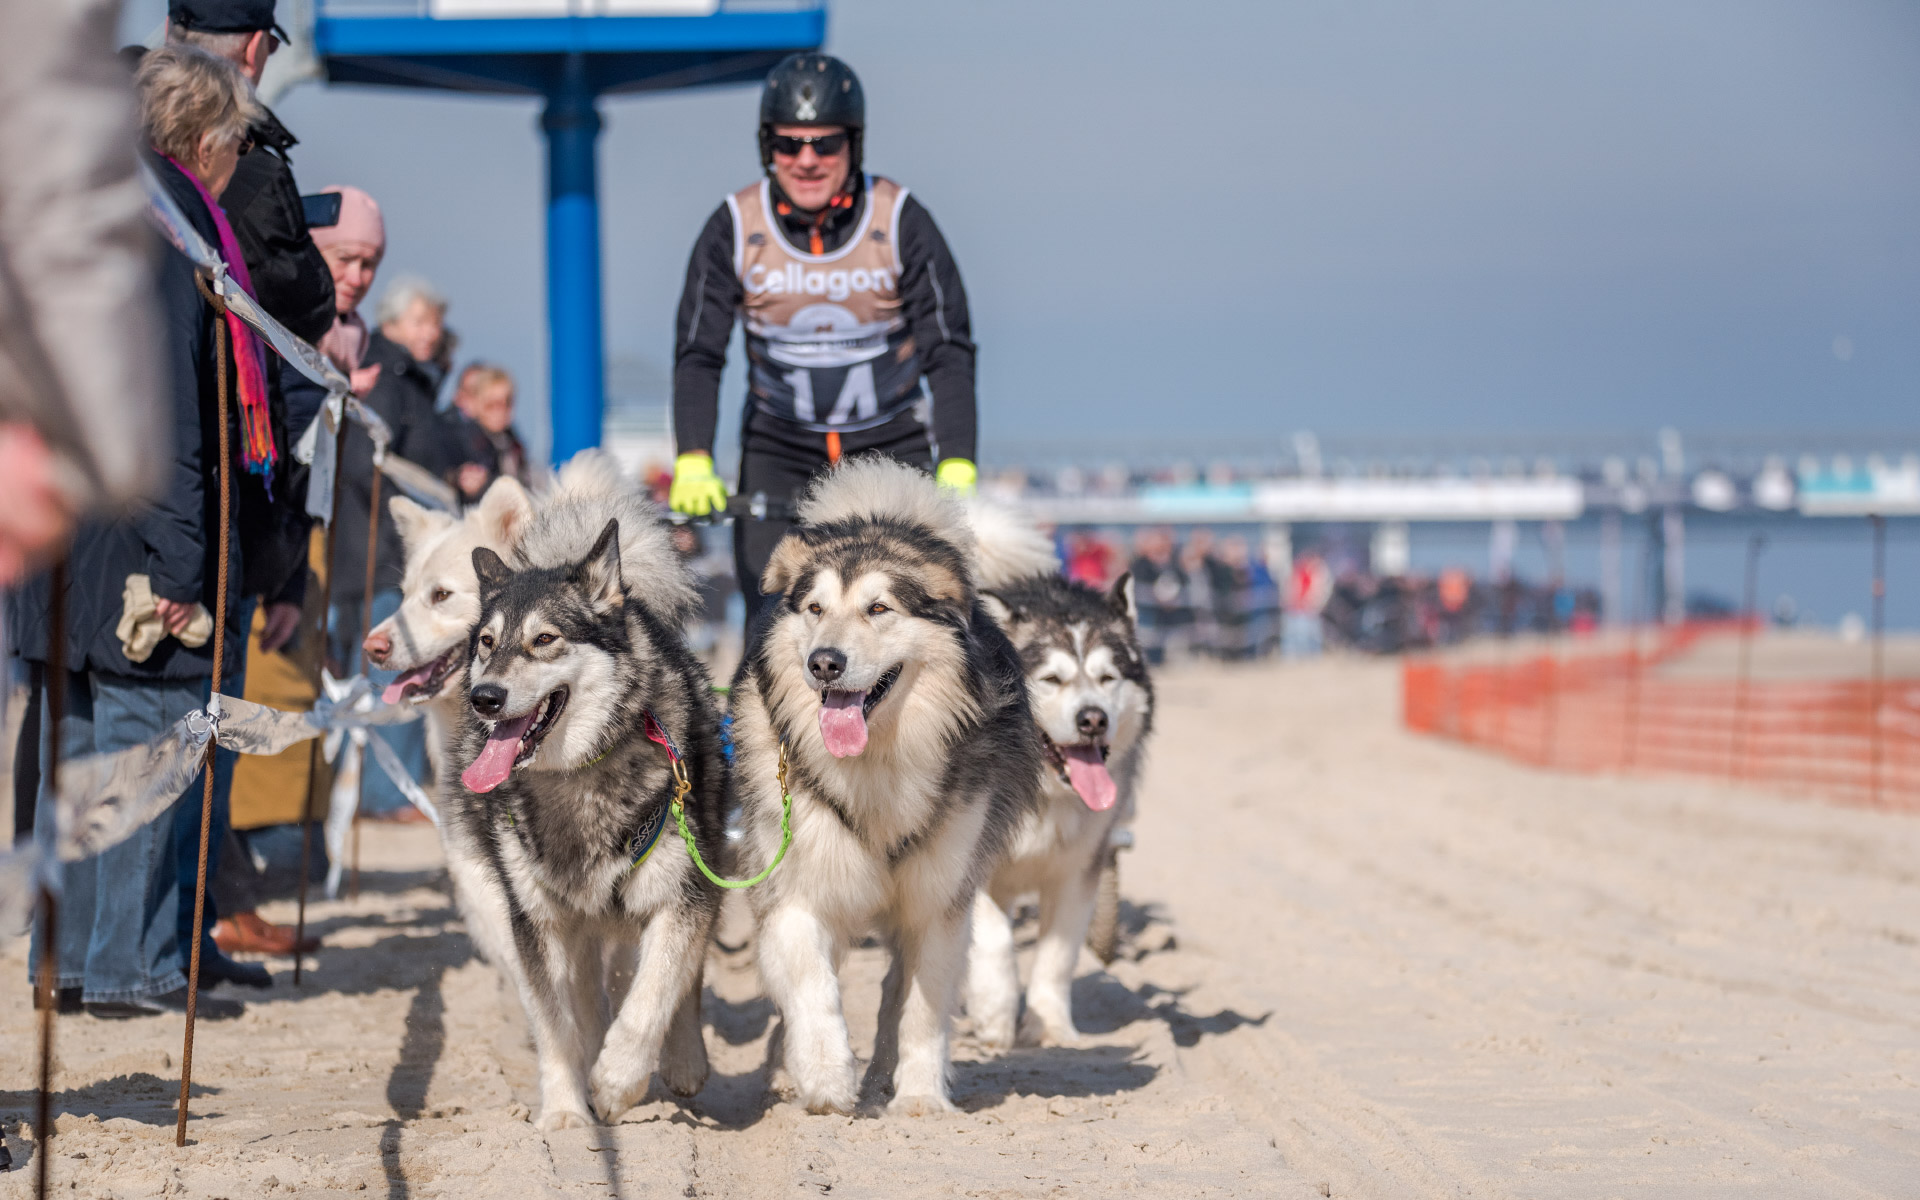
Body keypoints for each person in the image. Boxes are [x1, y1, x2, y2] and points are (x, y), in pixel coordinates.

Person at [17, 44, 267, 1018]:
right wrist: (182, 562)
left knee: (78, 753)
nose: (238, 162)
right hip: (133, 537)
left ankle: (72, 963)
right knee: (144, 749)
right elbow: (163, 413)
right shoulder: (167, 235)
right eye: (236, 144)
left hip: (69, 535)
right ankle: (131, 965)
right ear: (204, 143)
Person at [668, 53, 980, 627]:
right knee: (771, 620)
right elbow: (699, 354)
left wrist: (958, 457)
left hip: (890, 445)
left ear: (853, 145)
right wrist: (693, 457)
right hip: (779, 446)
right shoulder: (734, 225)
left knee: (918, 618)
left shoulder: (901, 220)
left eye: (825, 144)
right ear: (767, 148)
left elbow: (948, 349)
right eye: (788, 145)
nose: (806, 160)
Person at [329, 276, 450, 818]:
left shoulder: (413, 379)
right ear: (394, 323)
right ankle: (385, 795)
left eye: (435, 322)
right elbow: (364, 463)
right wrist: (414, 516)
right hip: (381, 552)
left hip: (387, 550)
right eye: (422, 321)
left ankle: (383, 792)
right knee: (393, 667)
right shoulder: (387, 376)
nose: (433, 332)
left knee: (390, 670)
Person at [444, 363, 530, 502]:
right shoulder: (465, 442)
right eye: (492, 404)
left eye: (507, 402)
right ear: (477, 403)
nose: (500, 410)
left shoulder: (513, 445)